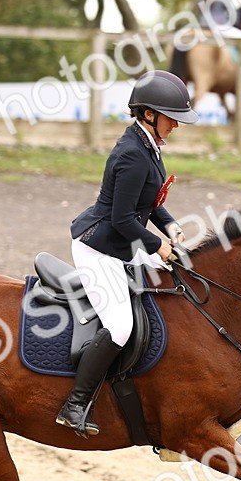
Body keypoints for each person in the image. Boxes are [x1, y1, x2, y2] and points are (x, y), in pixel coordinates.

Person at [57, 70, 198, 438]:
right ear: (149, 114)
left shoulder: (148, 144)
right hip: (99, 247)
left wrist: (169, 226)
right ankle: (75, 404)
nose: (176, 126)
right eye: (171, 118)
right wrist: (156, 245)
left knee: (176, 274)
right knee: (120, 325)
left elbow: (149, 202)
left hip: (122, 240)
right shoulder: (133, 154)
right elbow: (121, 219)